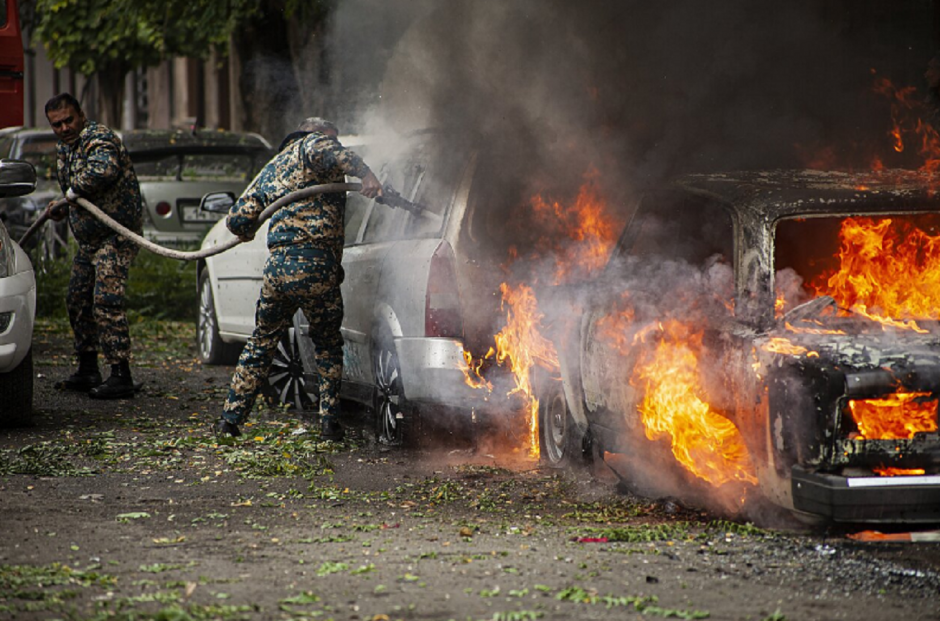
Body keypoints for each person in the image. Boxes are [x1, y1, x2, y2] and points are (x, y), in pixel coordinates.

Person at [215, 117, 382, 441]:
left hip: (278, 271)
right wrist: (367, 174)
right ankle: (329, 422)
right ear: (319, 135)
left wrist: (250, 228)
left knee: (261, 342)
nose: (335, 145)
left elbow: (237, 219)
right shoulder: (312, 145)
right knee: (328, 344)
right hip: (316, 266)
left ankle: (229, 421)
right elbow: (335, 153)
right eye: (332, 139)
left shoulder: (275, 166)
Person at [44, 93, 143, 399]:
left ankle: (120, 374)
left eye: (68, 120)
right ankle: (88, 368)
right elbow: (76, 195)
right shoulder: (66, 148)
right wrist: (63, 207)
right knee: (76, 298)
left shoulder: (97, 138)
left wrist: (69, 195)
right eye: (56, 124)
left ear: (81, 115)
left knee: (106, 300)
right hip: (90, 241)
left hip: (116, 235)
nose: (63, 128)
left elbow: (104, 170)